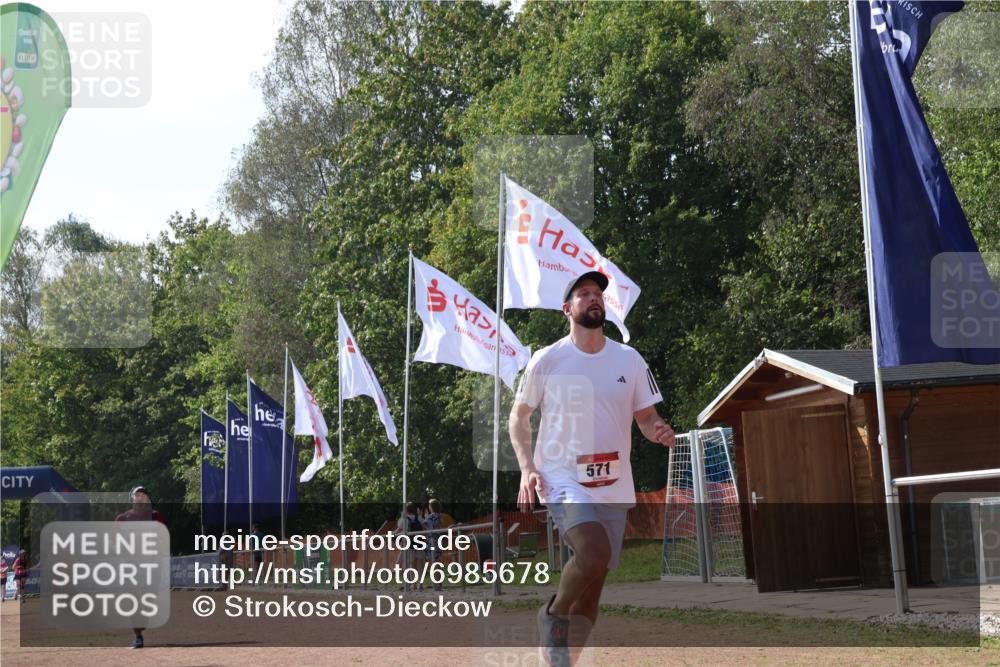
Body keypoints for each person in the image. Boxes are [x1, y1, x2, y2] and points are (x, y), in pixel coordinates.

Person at [509, 271, 675, 667]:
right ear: (568, 309)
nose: (593, 298)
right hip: (561, 476)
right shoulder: (547, 360)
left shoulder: (628, 359)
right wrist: (527, 467)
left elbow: (646, 416)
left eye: (598, 293)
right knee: (593, 550)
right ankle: (551, 616)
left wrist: (658, 431)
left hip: (614, 481)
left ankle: (566, 660)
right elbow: (519, 417)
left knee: (594, 585)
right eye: (583, 294)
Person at [115, 486, 166, 648]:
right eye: (137, 495)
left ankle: (141, 622)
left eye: (144, 495)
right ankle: (138, 636)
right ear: (132, 498)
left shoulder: (155, 517)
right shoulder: (122, 519)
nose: (141, 498)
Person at [421, 499, 445, 591]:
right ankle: (440, 584)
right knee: (438, 562)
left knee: (434, 564)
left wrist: (424, 516)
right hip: (439, 541)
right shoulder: (440, 516)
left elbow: (424, 525)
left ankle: (436, 583)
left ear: (431, 507)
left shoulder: (431, 516)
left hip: (432, 541)